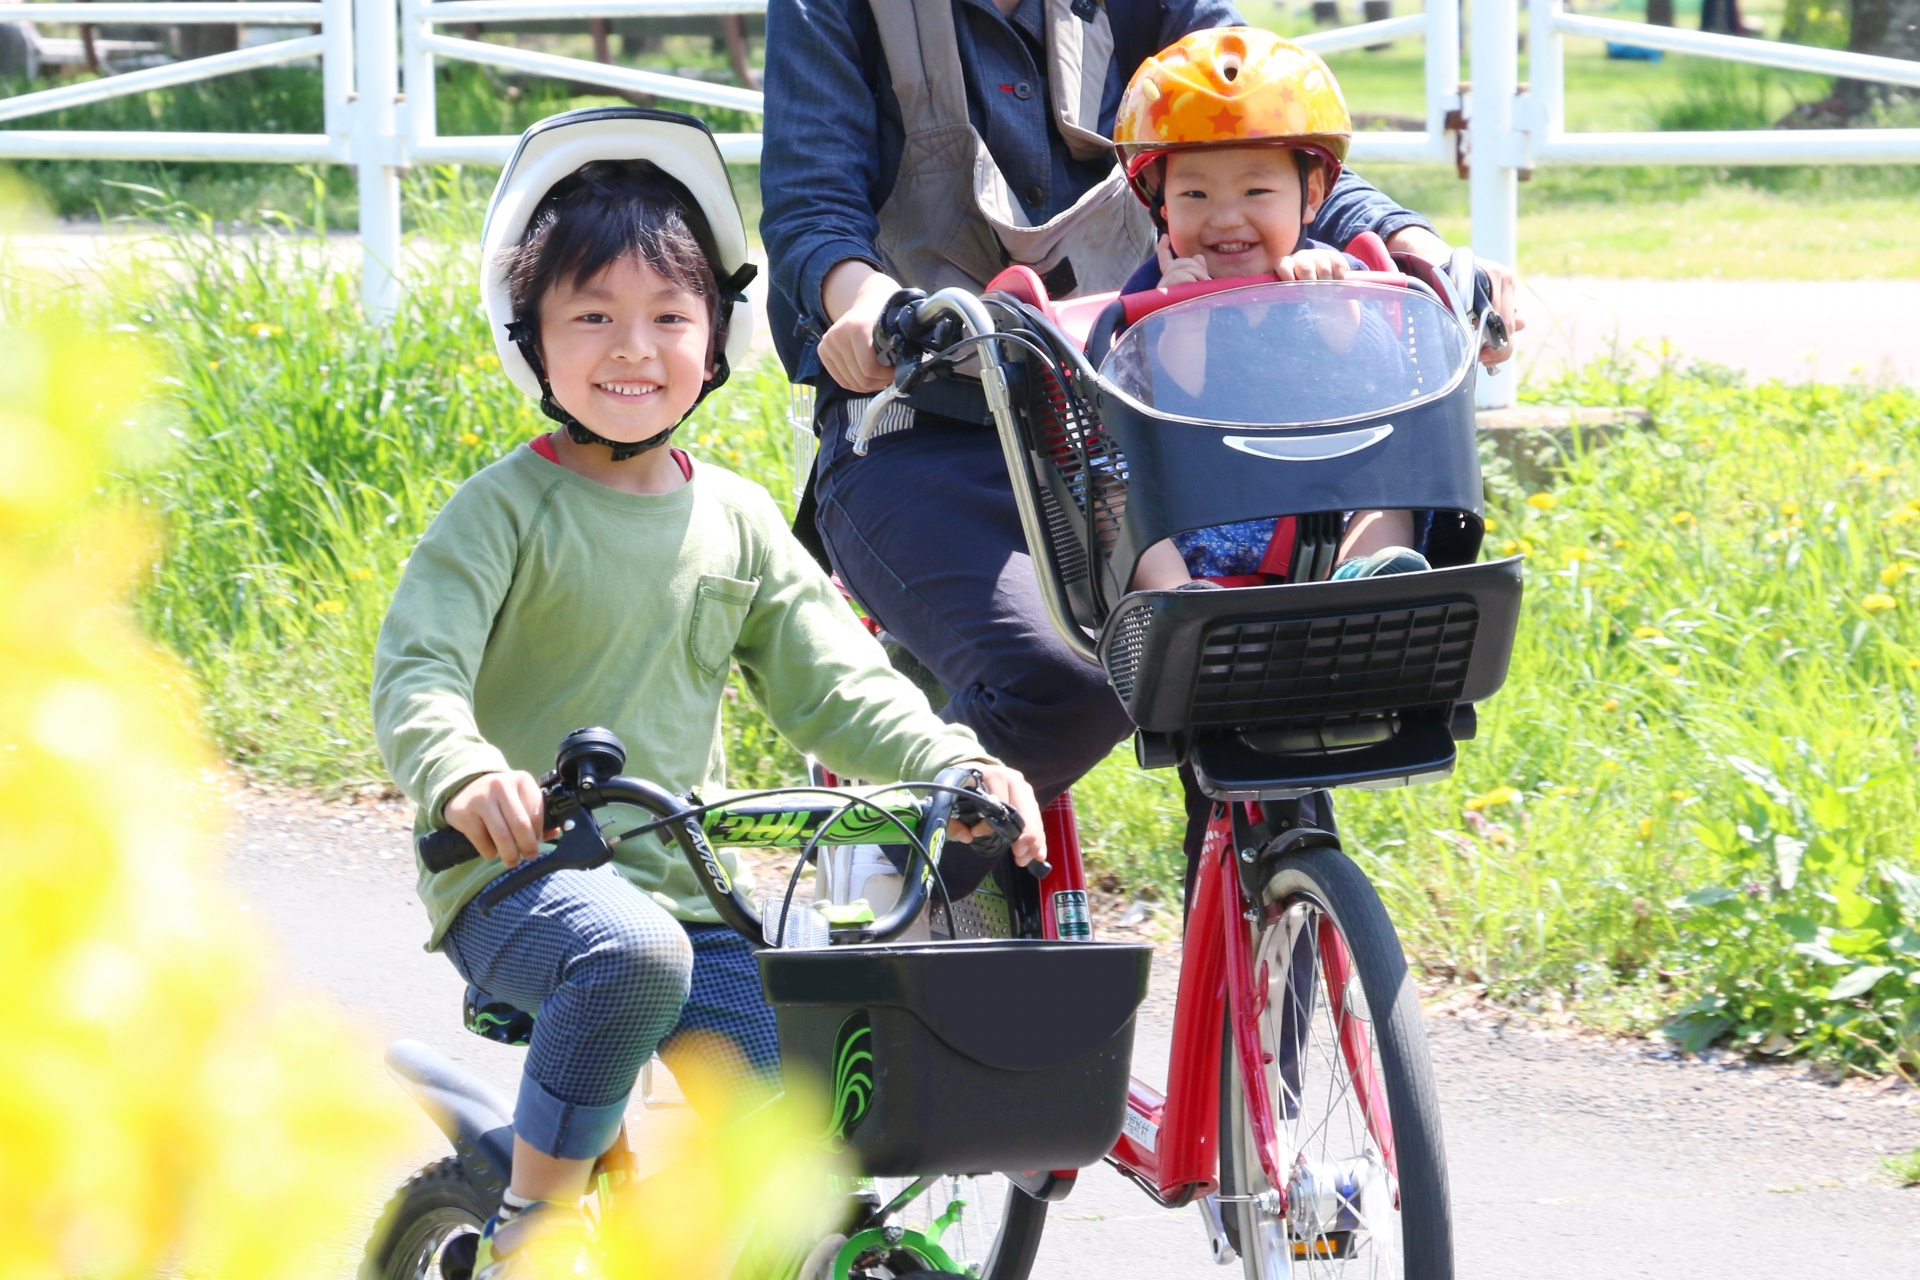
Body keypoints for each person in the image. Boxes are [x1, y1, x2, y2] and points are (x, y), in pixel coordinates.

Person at [370, 107, 1044, 1278]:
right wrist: (467, 772)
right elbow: (418, 668)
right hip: (522, 885)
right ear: (530, 334)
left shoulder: (732, 517)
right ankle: (536, 1216)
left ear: (715, 338)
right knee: (633, 956)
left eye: (668, 318)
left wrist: (951, 759)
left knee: (797, 1148)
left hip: (691, 888)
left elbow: (836, 678)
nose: (633, 348)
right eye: (593, 317)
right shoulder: (501, 513)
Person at [761, 0, 1522, 804]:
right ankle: (895, 864)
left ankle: (1274, 889)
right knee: (1077, 684)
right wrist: (868, 302)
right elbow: (813, 204)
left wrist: (1417, 246)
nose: (1222, 215)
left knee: (1281, 637)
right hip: (928, 419)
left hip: (1140, 417)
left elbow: (1261, 118)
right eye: (1191, 195)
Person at [1112, 29, 1431, 591]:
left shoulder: (1336, 277)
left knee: (1391, 497)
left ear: (1311, 197)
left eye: (1256, 192)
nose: (1226, 218)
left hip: (1320, 513)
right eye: (1195, 196)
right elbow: (1152, 405)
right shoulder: (1153, 294)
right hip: (1197, 515)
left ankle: (1366, 584)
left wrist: (1343, 320)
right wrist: (1182, 323)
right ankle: (1181, 608)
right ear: (1160, 203)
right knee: (1119, 510)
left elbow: (1387, 386)